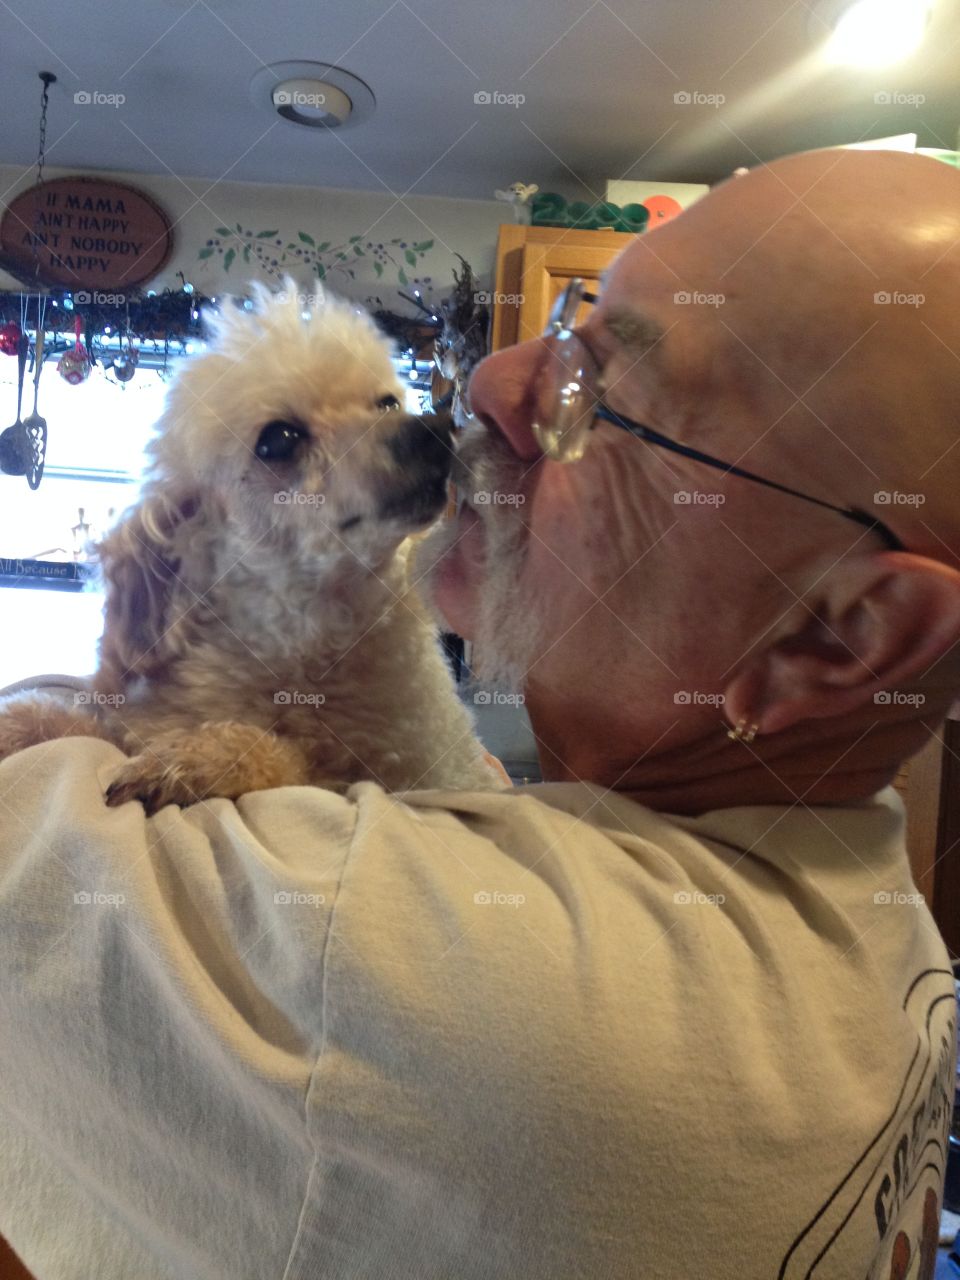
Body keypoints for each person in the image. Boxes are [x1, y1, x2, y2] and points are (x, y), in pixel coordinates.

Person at [1, 147, 958, 1280]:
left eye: (605, 394)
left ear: (840, 638)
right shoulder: (875, 902)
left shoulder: (381, 952)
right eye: (565, 326)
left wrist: (61, 707)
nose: (494, 380)